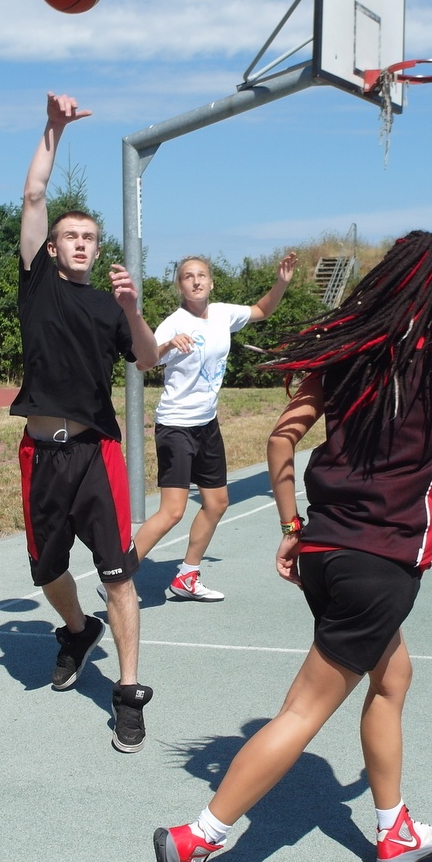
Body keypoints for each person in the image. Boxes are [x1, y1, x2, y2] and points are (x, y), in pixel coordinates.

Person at [151, 230, 432, 862]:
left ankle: (393, 831)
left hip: (325, 550)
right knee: (304, 711)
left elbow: (280, 438)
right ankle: (197, 837)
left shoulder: (345, 351)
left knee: (393, 676)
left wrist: (292, 526)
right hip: (380, 562)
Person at [10, 92, 159, 753]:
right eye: (71, 235)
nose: (80, 243)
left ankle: (128, 692)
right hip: (41, 453)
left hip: (96, 453)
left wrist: (132, 311)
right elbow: (34, 194)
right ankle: (77, 630)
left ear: (98, 250)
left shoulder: (109, 306)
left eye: (90, 238)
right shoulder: (36, 282)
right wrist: (54, 128)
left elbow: (147, 359)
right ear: (51, 247)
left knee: (118, 575)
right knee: (46, 572)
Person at [131, 251, 297, 601]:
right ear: (180, 286)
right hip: (176, 425)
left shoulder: (223, 313)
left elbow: (262, 310)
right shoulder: (173, 323)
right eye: (188, 276)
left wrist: (281, 283)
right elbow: (143, 363)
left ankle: (186, 577)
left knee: (218, 502)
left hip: (207, 424)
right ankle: (117, 575)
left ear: (211, 281)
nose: (196, 281)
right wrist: (167, 345)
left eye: (201, 275)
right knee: (172, 511)